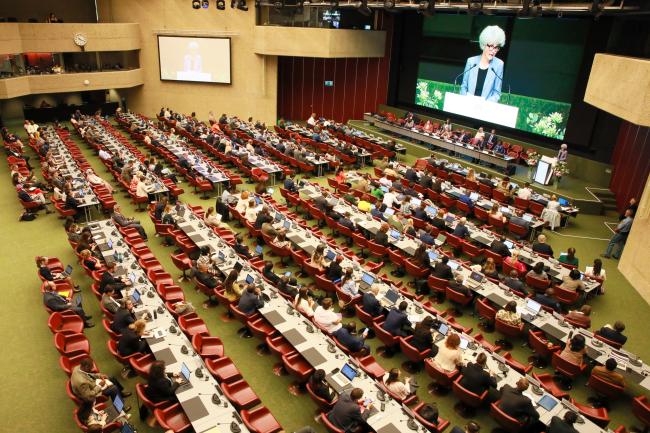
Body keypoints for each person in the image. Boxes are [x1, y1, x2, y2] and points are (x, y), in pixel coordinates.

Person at [460, 25, 506, 102]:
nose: (493, 50)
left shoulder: (499, 64)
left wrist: (484, 105)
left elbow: (497, 93)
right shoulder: (471, 61)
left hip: (485, 108)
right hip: (467, 105)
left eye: (496, 47)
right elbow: (464, 87)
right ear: (484, 44)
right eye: (491, 46)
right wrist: (466, 101)